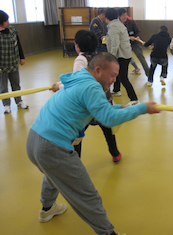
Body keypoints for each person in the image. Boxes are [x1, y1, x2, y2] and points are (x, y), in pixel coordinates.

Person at [27, 52, 160, 235]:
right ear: (98, 70)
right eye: (113, 75)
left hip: (34, 139)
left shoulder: (80, 77)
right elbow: (108, 119)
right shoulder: (92, 87)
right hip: (52, 147)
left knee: (52, 174)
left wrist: (118, 107)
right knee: (87, 196)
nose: (114, 80)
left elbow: (99, 109)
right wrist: (142, 108)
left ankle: (48, 208)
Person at [51, 30, 122, 162]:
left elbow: (77, 84)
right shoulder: (99, 58)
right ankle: (115, 153)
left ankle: (75, 159)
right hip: (102, 101)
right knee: (107, 128)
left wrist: (59, 86)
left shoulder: (80, 59)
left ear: (77, 46)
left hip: (88, 105)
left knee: (77, 131)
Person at [105, 8, 139, 106]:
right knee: (117, 73)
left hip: (122, 55)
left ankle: (134, 99)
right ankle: (116, 90)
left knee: (123, 77)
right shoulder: (118, 24)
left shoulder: (113, 27)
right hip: (125, 54)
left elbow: (115, 43)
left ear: (107, 18)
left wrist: (111, 57)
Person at [0, 10, 28, 114]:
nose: (8, 22)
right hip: (2, 65)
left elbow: (19, 44)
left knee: (16, 84)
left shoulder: (12, 31)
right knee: (3, 87)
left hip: (13, 63)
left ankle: (19, 101)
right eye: (5, 21)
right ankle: (6, 105)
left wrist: (22, 57)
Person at [117, 8, 150, 77]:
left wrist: (137, 36)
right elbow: (118, 36)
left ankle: (149, 74)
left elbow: (137, 31)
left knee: (140, 56)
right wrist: (129, 38)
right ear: (119, 16)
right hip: (123, 44)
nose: (125, 16)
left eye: (126, 15)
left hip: (134, 43)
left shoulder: (132, 22)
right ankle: (122, 76)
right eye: (123, 15)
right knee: (123, 59)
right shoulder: (117, 25)